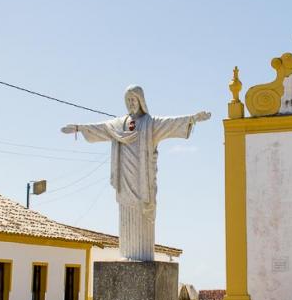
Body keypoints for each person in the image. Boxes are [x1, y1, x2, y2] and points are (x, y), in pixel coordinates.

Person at [61, 85, 210, 261]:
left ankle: (142, 256)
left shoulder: (151, 123)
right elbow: (100, 129)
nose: (131, 103)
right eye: (128, 100)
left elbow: (172, 124)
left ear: (141, 101)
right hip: (124, 181)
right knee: (125, 214)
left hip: (142, 183)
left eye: (134, 99)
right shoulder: (118, 125)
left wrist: (192, 118)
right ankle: (127, 255)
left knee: (142, 216)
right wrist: (79, 128)